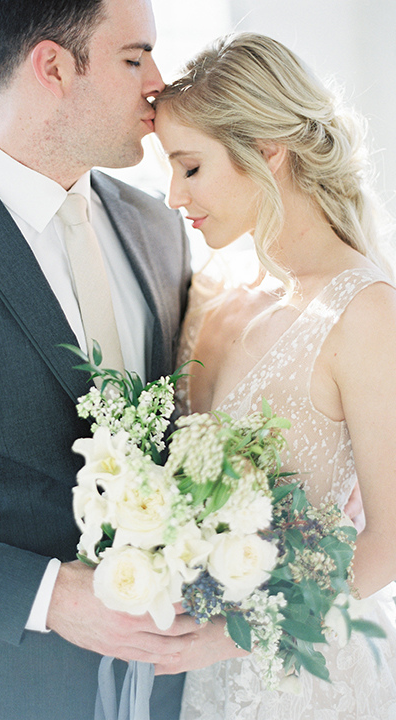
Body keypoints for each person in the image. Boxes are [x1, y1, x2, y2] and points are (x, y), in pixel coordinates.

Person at [0, 0, 196, 718]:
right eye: (135, 58)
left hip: (178, 681)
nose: (159, 82)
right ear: (53, 67)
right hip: (11, 688)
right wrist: (46, 595)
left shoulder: (162, 226)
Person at [154, 32, 396, 719]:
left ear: (268, 151)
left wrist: (226, 636)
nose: (173, 195)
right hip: (202, 680)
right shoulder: (218, 299)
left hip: (309, 677)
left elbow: (391, 538)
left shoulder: (366, 311)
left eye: (190, 168)